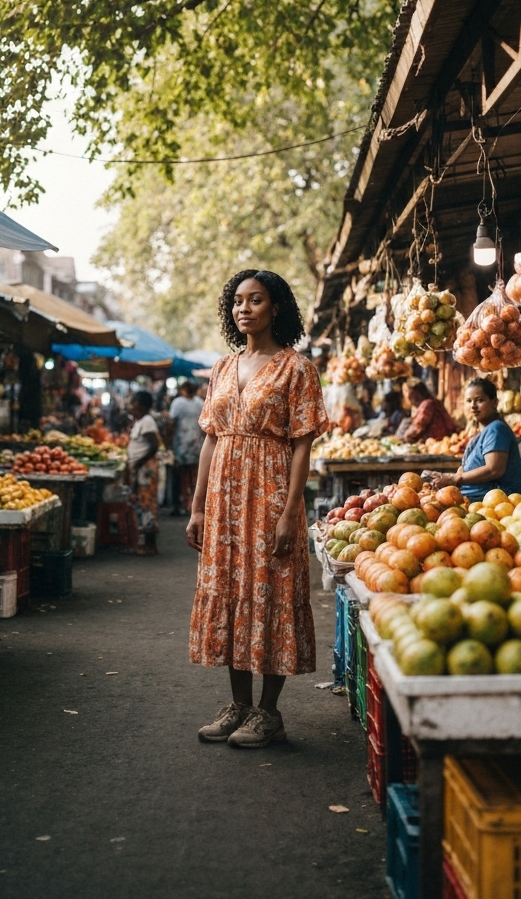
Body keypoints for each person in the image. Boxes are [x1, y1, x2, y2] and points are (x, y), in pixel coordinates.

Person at [187, 269, 328, 749]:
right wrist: (198, 506)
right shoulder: (222, 368)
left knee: (270, 592)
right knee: (231, 590)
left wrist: (291, 511)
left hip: (269, 494)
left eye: (256, 300)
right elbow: (210, 440)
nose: (244, 308)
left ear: (276, 308)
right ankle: (239, 706)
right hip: (225, 499)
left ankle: (269, 713)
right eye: (238, 301)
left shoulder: (297, 368)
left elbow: (303, 446)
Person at [431, 378, 521, 500]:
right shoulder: (482, 432)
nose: (473, 406)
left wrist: (454, 478)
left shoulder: (496, 429)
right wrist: (448, 477)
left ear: (494, 402)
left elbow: (494, 470)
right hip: (475, 501)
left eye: (480, 400)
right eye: (469, 401)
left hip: (497, 504)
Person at [126, 390, 161, 553]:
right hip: (141, 468)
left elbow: (154, 445)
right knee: (141, 503)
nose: (131, 406)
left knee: (147, 504)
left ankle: (150, 545)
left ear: (140, 406)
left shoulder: (147, 421)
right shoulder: (140, 421)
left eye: (133, 403)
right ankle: (144, 542)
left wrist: (139, 463)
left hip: (145, 468)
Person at [168, 380, 204, 516]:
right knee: (194, 478)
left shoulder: (178, 403)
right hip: (196, 445)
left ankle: (179, 505)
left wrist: (169, 443)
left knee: (179, 477)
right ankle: (193, 505)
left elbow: (171, 422)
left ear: (183, 390)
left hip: (181, 445)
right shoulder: (200, 403)